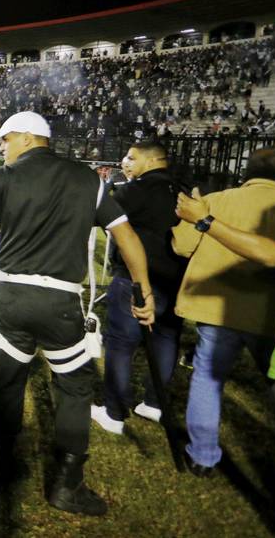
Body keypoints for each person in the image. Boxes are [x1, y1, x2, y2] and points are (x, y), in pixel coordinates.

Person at [0, 111, 154, 516]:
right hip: (60, 301)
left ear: (27, 138)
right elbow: (125, 237)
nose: (0, 147)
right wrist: (144, 290)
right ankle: (68, 484)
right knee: (73, 386)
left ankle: (2, 469)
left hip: (13, 297)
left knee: (8, 380)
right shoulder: (90, 180)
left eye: (5, 139)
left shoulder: (4, 177)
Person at [176, 189, 275, 538]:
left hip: (225, 313)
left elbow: (182, 246)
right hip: (270, 317)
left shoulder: (216, 200)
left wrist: (205, 219)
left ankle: (202, 456)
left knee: (208, 377)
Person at [91, 140, 187, 434]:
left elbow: (100, 214)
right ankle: (154, 403)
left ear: (152, 160)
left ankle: (114, 411)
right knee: (167, 338)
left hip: (136, 277)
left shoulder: (137, 189)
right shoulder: (184, 189)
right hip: (176, 279)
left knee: (121, 343)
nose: (125, 162)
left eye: (131, 158)